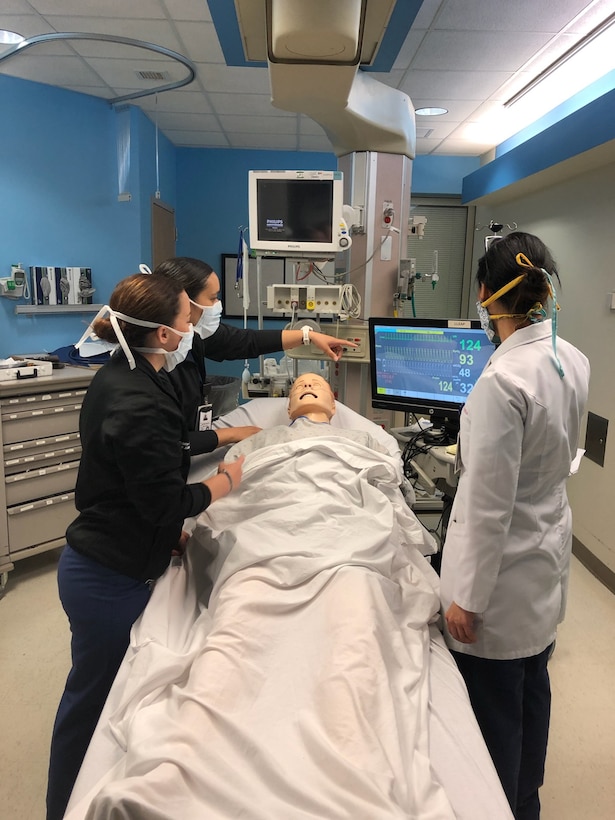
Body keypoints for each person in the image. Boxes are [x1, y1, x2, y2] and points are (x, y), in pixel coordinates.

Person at [45, 272, 248, 820]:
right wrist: (223, 483)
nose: (194, 326)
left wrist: (168, 535)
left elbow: (136, 478)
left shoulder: (125, 376)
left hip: (116, 552)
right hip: (106, 578)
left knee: (103, 700)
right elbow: (161, 500)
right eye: (189, 318)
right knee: (91, 706)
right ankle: (63, 808)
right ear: (163, 335)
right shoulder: (138, 399)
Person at [439, 232, 590, 820]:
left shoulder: (502, 383)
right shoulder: (568, 356)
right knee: (533, 691)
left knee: (496, 710)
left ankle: (501, 805)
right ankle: (526, 800)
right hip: (546, 555)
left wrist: (466, 599)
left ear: (485, 294)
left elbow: (485, 504)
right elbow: (565, 456)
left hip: (502, 579)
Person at [152, 257, 356, 451]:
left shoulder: (190, 337)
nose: (218, 305)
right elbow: (163, 444)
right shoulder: (152, 368)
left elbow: (244, 341)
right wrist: (232, 434)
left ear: (333, 405)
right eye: (213, 298)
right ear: (183, 301)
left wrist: (307, 335)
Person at [225, 371, 390, 460]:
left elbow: (389, 475)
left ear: (333, 406)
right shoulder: (264, 438)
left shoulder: (361, 440)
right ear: (289, 409)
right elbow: (228, 474)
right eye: (299, 387)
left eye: (316, 385)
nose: (308, 385)